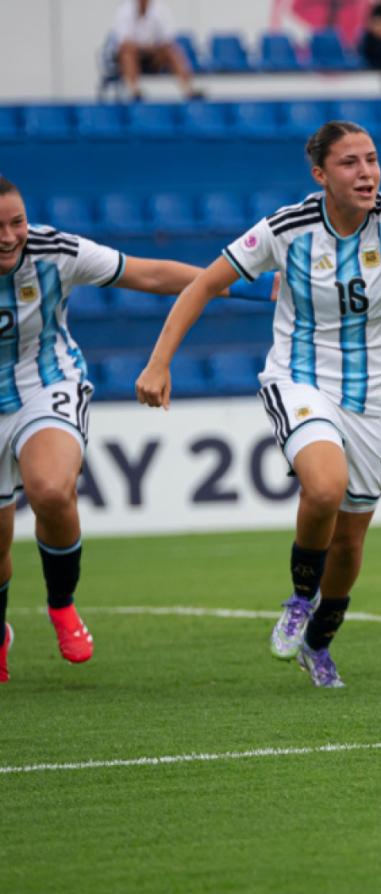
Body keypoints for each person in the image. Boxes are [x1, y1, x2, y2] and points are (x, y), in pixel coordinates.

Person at [135, 122, 381, 688]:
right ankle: (301, 598)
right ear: (321, 175)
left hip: (374, 398)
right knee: (324, 485)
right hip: (300, 381)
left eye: (372, 159)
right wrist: (159, 362)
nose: (367, 172)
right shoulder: (287, 228)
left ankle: (319, 640)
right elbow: (204, 283)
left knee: (351, 542)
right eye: (350, 163)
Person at [0, 175, 215, 683]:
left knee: (51, 490)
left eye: (17, 222)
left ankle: (62, 605)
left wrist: (225, 280)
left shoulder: (55, 251)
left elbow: (149, 274)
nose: (10, 236)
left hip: (45, 383)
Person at [111, 0, 202, 101]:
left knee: (172, 51)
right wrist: (147, 47)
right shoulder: (124, 10)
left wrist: (149, 48)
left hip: (153, 56)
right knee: (127, 54)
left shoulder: (160, 9)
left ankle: (188, 90)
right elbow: (124, 44)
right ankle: (134, 92)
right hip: (132, 56)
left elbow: (169, 39)